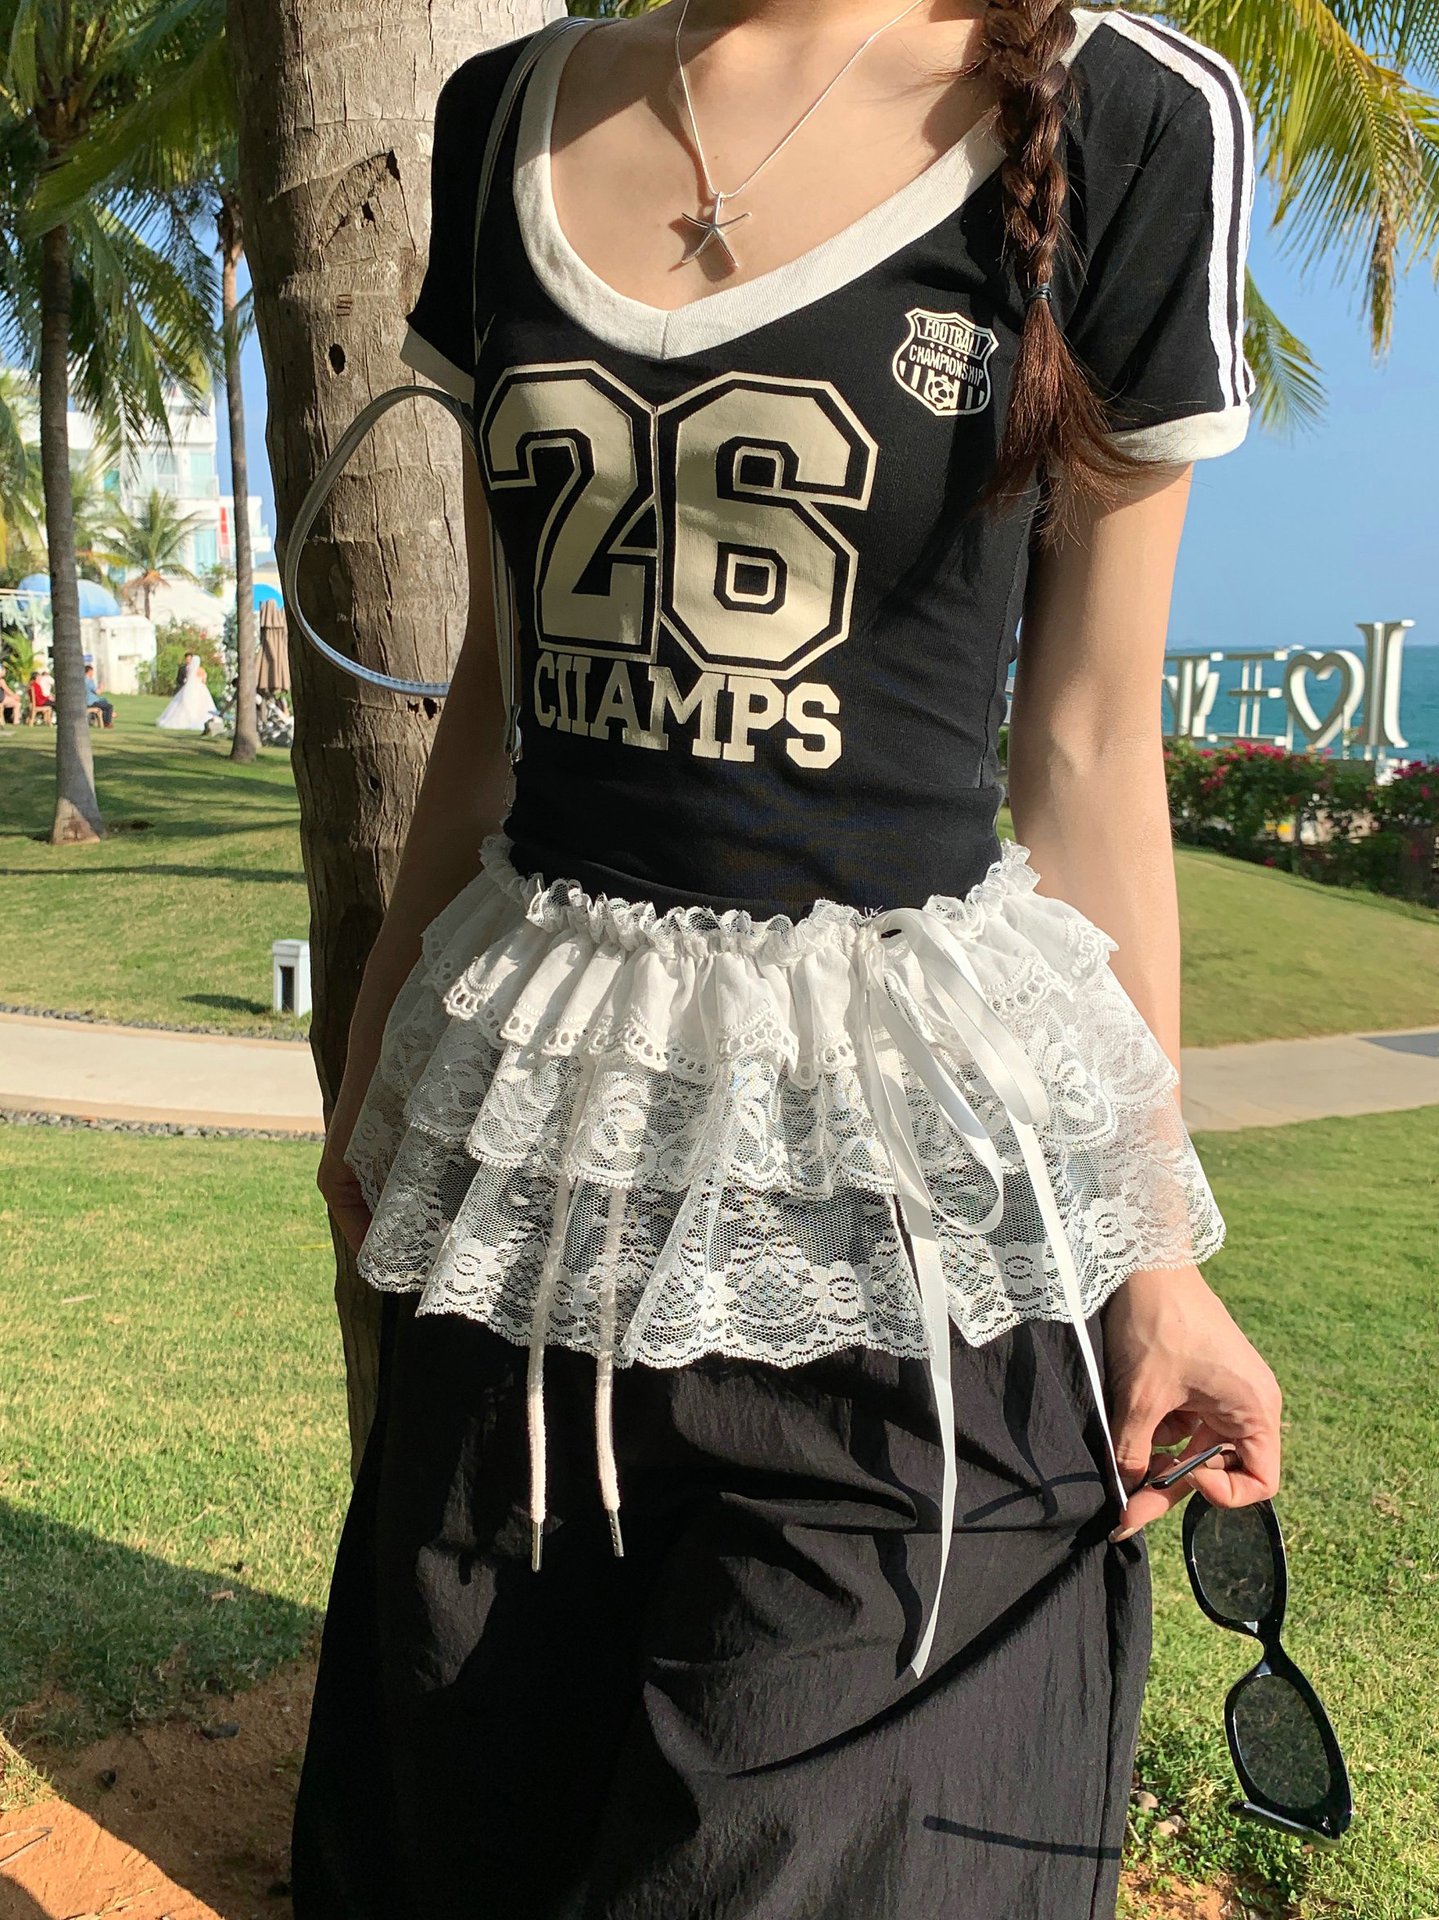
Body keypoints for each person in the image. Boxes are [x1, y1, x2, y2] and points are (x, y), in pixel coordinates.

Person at [293, 5, 1282, 1916]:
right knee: (468, 1840)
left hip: (910, 1244)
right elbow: (497, 693)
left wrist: (1147, 1249)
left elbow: (1086, 745)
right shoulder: (500, 115)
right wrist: (379, 1074)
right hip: (534, 1193)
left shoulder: (1132, 115)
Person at [154, 651, 219, 731]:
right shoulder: (201, 670)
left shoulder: (190, 670)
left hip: (190, 689)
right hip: (201, 689)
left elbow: (188, 680)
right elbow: (204, 681)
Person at [84, 660, 115, 729]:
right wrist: (101, 687)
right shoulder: (88, 681)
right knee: (109, 706)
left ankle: (106, 719)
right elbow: (97, 692)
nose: (93, 673)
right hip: (91, 702)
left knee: (104, 702)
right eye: (92, 672)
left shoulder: (83, 680)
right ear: (89, 671)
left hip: (87, 701)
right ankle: (107, 723)